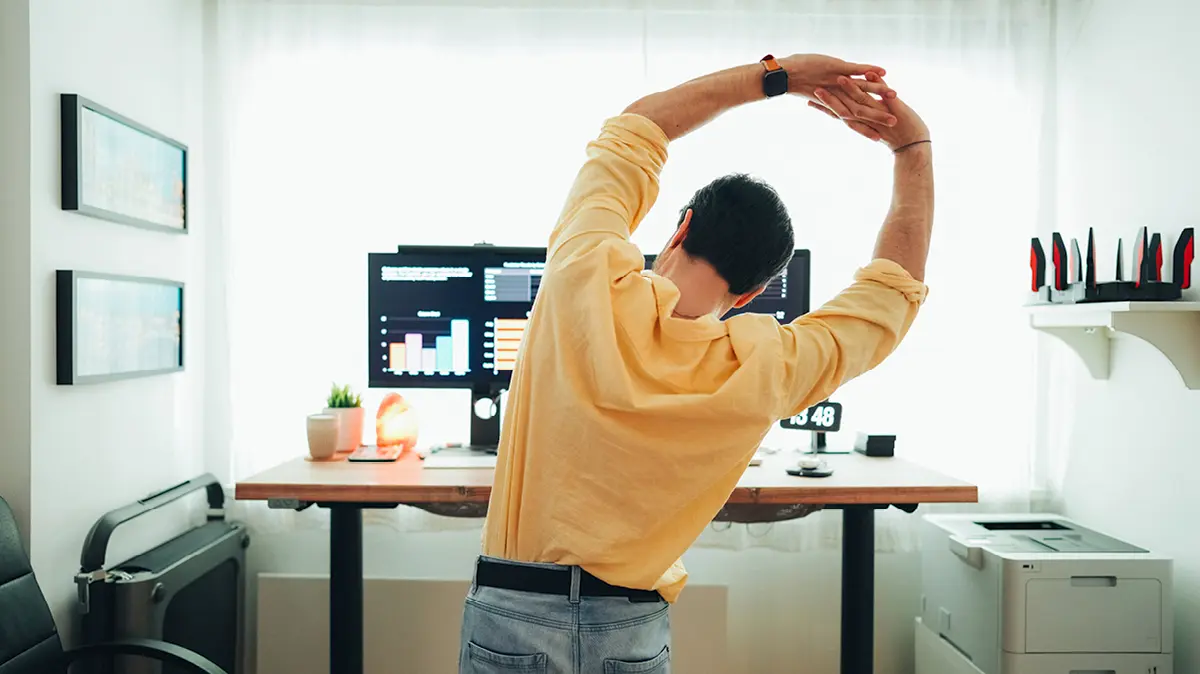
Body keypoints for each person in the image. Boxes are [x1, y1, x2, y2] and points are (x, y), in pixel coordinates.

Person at [458, 53, 933, 673]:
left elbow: (638, 128)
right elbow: (891, 294)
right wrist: (912, 150)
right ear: (754, 293)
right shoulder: (767, 365)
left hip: (513, 612)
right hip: (630, 628)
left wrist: (779, 75)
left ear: (681, 228)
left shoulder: (585, 272)